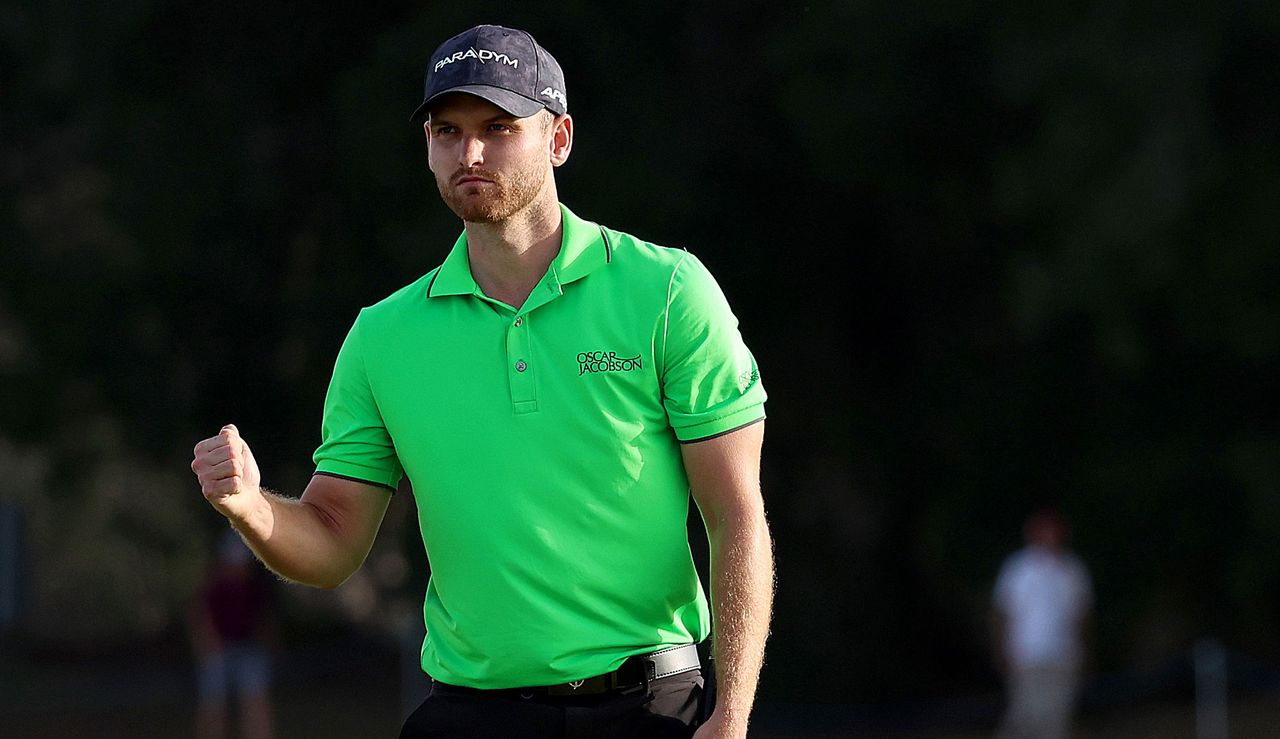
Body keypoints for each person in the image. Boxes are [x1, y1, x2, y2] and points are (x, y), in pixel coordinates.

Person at [190, 23, 773, 739]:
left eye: (498, 127)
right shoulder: (383, 335)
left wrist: (733, 714)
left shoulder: (669, 291)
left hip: (651, 707)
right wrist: (250, 505)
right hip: (470, 712)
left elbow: (736, 515)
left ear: (558, 138)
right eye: (447, 130)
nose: (469, 152)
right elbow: (334, 541)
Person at [992, 507, 1093, 739]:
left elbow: (1082, 615)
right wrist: (1002, 650)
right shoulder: (1019, 568)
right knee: (1025, 714)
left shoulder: (1073, 570)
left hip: (1064, 654)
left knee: (1057, 717)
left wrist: (1085, 650)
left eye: (1054, 531)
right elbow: (1003, 611)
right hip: (1027, 653)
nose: (1050, 536)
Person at [189, 529, 278, 739]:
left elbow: (263, 620)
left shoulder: (254, 587)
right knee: (213, 707)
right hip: (218, 651)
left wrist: (270, 645)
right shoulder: (213, 586)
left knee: (256, 704)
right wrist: (206, 646)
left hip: (249, 649)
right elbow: (200, 617)